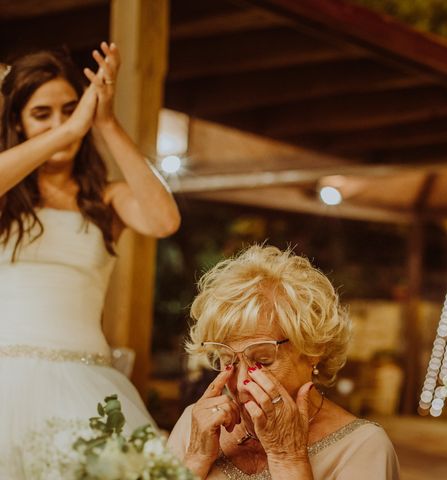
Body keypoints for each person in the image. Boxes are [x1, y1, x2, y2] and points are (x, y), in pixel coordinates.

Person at [0, 43, 180, 477]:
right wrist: (65, 132)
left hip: (85, 382)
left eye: (70, 108)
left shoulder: (106, 198)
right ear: (18, 124)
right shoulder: (7, 197)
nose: (61, 121)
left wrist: (105, 121)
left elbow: (164, 220)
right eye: (42, 114)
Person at [168, 245, 400, 480]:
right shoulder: (196, 424)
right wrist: (195, 458)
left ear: (313, 350)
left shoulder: (362, 447)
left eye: (263, 361)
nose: (240, 385)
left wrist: (288, 460)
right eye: (229, 361)